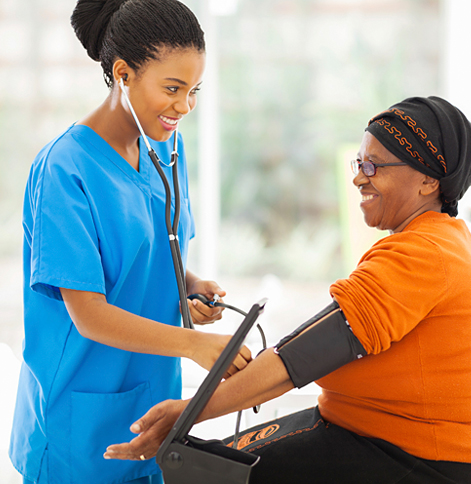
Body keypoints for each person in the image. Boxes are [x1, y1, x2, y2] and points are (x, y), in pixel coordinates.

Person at [105, 96, 471, 484]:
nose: (359, 177)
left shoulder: (423, 254)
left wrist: (188, 411)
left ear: (429, 180)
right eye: (359, 163)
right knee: (213, 459)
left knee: (204, 471)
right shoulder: (440, 241)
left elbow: (299, 358)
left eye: (373, 166)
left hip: (406, 455)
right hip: (366, 428)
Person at [9, 1, 252, 483]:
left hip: (152, 406)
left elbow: (158, 254)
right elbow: (89, 312)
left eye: (194, 90)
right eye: (172, 88)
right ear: (123, 73)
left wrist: (190, 286)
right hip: (77, 425)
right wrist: (195, 346)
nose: (184, 107)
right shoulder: (64, 169)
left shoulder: (163, 148)